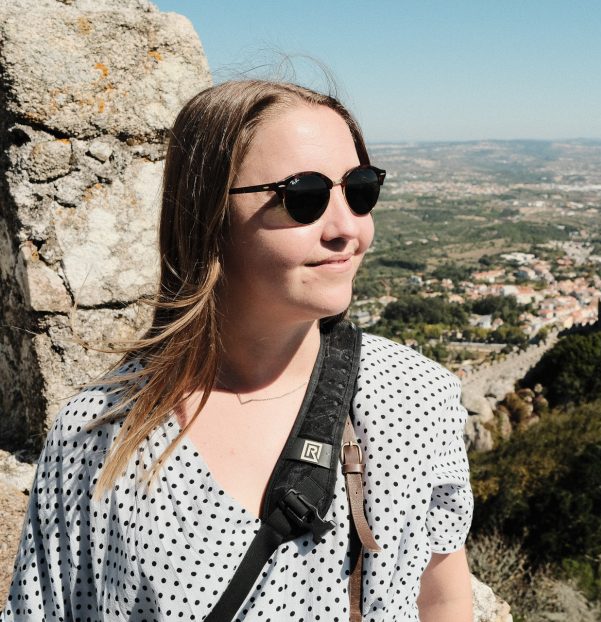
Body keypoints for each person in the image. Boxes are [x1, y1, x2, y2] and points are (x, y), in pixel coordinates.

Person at [2, 80, 474, 621]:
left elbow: (442, 598)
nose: (348, 229)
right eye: (305, 197)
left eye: (360, 190)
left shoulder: (415, 398)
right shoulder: (97, 435)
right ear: (209, 217)